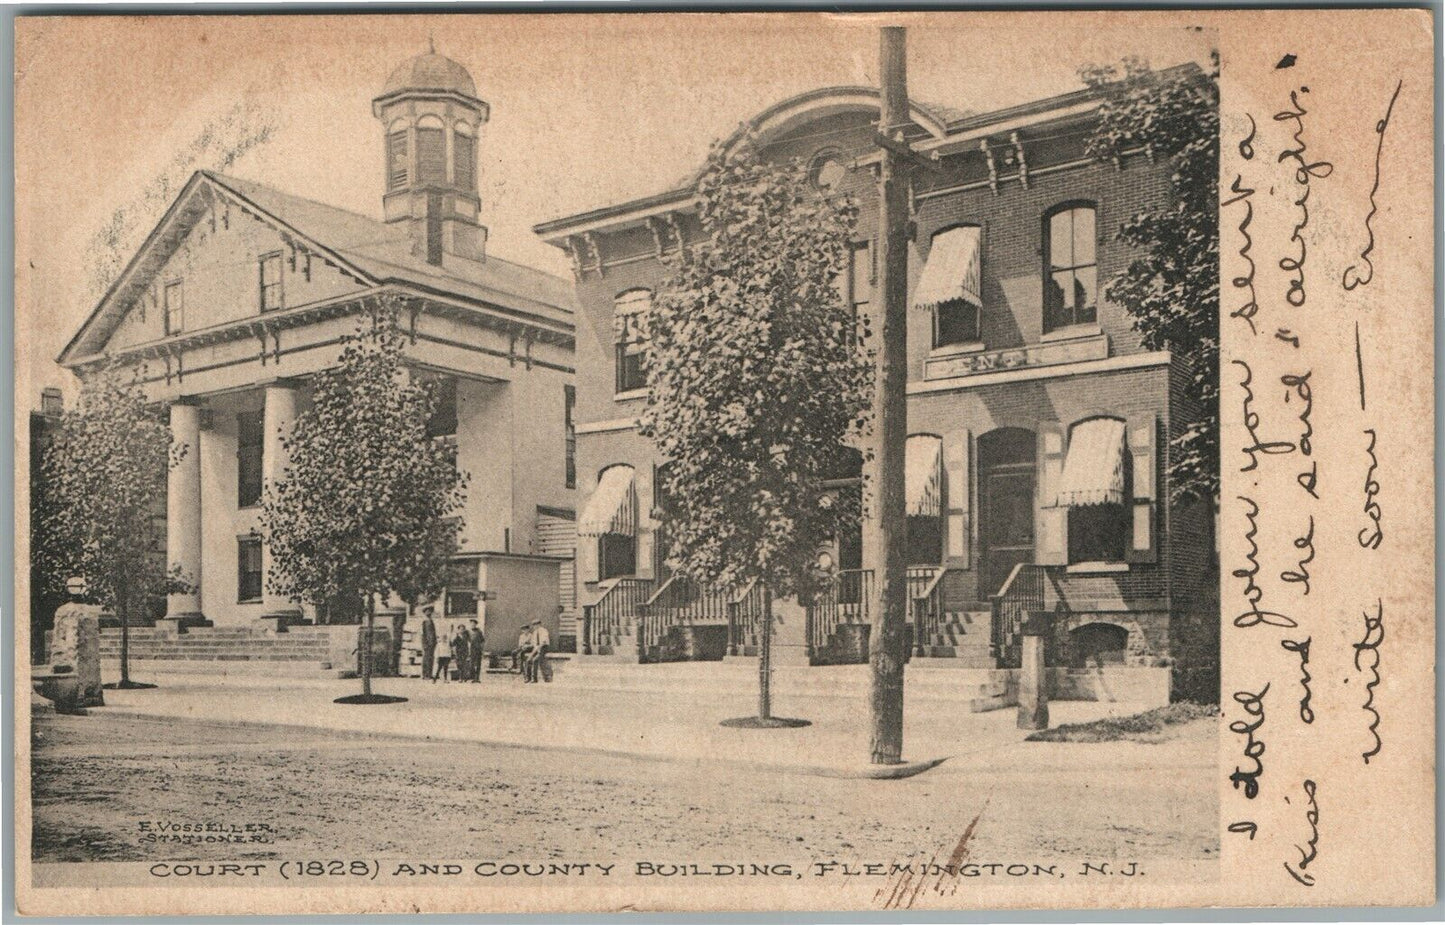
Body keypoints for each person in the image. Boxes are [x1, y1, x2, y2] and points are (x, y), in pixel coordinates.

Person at [419, 606, 437, 681]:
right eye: (427, 611)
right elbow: (422, 634)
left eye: (430, 611)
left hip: (432, 643)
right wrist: (424, 644)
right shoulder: (424, 622)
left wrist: (435, 641)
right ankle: (425, 674)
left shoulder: (431, 621)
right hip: (427, 643)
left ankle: (429, 674)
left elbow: (433, 633)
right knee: (426, 659)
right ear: (425, 612)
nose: (429, 613)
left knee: (431, 659)